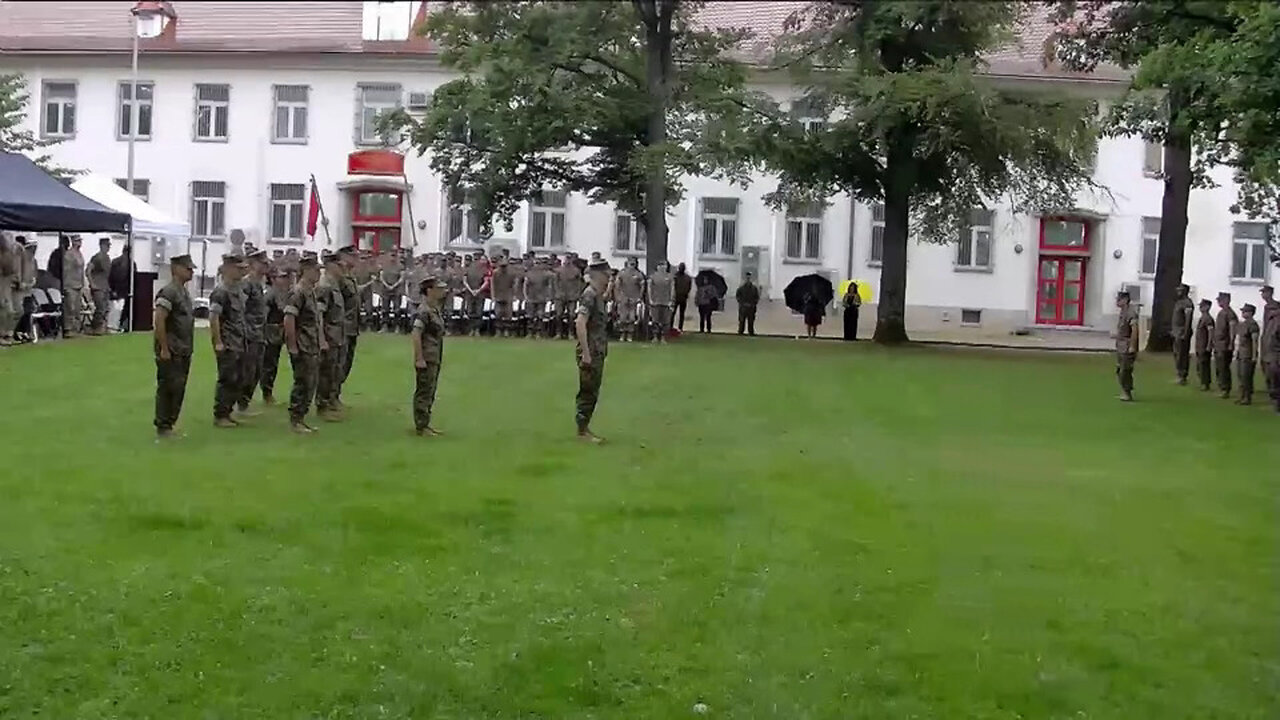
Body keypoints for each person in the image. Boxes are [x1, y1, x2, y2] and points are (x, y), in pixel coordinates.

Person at [152, 254, 197, 440]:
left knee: (179, 388)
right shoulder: (169, 292)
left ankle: (170, 424)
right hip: (171, 349)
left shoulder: (183, 292)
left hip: (183, 349)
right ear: (176, 269)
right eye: (188, 268)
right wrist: (164, 348)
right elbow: (159, 320)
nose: (191, 271)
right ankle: (163, 426)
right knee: (169, 388)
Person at [208, 253, 249, 428]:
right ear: (229, 268)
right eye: (239, 269)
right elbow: (213, 317)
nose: (242, 272)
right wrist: (218, 341)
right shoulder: (221, 291)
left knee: (238, 379)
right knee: (227, 378)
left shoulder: (237, 290)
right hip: (228, 342)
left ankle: (228, 411)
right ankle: (221, 414)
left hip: (239, 341)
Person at [285, 256, 324, 434]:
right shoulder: (298, 292)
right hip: (302, 345)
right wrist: (292, 346)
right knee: (302, 382)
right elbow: (289, 319)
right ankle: (296, 419)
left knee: (310, 383)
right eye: (316, 270)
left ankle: (301, 418)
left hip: (311, 345)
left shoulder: (311, 292)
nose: (319, 273)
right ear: (306, 271)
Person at [575, 258, 611, 442]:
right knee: (588, 391)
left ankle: (585, 428)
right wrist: (586, 353)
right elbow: (580, 323)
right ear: (599, 275)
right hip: (590, 351)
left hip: (597, 350)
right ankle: (582, 432)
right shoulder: (589, 295)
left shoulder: (597, 295)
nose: (609, 279)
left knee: (593, 391)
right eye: (607, 275)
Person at [411, 275, 448, 436]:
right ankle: (421, 425)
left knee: (430, 389)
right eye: (439, 288)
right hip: (427, 356)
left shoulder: (434, 309)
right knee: (424, 390)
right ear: (429, 290)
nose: (443, 291)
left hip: (434, 355)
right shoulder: (424, 311)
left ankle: (426, 423)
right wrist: (419, 358)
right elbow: (416, 333)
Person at [314, 252, 347, 421]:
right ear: (331, 266)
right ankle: (322, 406)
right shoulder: (325, 286)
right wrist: (321, 339)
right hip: (328, 336)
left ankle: (328, 402)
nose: (344, 269)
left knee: (333, 371)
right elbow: (319, 314)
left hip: (336, 335)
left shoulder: (335, 285)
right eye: (340, 266)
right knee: (325, 372)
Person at [237, 249, 269, 416]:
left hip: (260, 333)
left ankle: (245, 402)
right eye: (262, 263)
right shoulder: (247, 284)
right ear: (253, 264)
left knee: (257, 370)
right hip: (249, 334)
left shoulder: (259, 283)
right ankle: (241, 404)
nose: (266, 266)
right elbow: (241, 310)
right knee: (248, 371)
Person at [260, 268, 291, 404]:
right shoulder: (270, 295)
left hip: (279, 333)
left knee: (273, 363)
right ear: (273, 279)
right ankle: (267, 393)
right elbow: (264, 316)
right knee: (268, 364)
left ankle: (268, 391)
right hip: (270, 332)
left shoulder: (283, 294)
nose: (285, 280)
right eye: (281, 277)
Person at [337, 245, 362, 404]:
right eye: (352, 256)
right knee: (338, 363)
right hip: (342, 327)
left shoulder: (350, 276)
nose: (356, 259)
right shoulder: (339, 278)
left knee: (346, 363)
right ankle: (330, 398)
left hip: (352, 327)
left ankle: (336, 395)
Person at [1114, 289, 1139, 402]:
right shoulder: (1123, 312)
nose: (1117, 301)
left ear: (1125, 300)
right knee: (1120, 369)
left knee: (1125, 370)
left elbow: (1134, 330)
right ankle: (1124, 390)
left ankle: (1127, 392)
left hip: (1127, 346)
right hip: (1121, 345)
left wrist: (1132, 346)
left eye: (1119, 299)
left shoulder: (1130, 312)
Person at [1213, 292, 1239, 399]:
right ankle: (1221, 387)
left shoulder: (1230, 314)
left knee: (1224, 367)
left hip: (1225, 344)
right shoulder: (1221, 313)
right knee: (1219, 367)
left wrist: (1231, 343)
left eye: (1221, 300)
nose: (1219, 302)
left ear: (1227, 300)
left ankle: (1225, 389)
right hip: (1218, 344)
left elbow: (1232, 330)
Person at [615, 258, 645, 342]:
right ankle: (622, 334)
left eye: (633, 263)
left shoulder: (638, 274)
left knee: (632, 318)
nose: (632, 264)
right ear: (627, 263)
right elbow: (617, 285)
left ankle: (630, 335)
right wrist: (618, 296)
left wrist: (640, 296)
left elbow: (642, 286)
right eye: (630, 263)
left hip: (634, 298)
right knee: (622, 317)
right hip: (623, 298)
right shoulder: (622, 273)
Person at [1235, 303, 1259, 405]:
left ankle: (1247, 397)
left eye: (1245, 311)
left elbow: (1254, 341)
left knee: (1246, 377)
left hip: (1248, 354)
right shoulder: (1243, 324)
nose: (1243, 313)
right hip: (1241, 353)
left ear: (1251, 313)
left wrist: (1254, 356)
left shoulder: (1253, 325)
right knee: (1240, 375)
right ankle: (1242, 396)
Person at [87, 237, 112, 335]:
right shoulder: (97, 258)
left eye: (109, 246)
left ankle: (102, 327)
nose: (108, 248)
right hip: (98, 287)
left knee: (106, 308)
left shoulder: (107, 258)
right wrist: (92, 283)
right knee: (100, 308)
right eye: (106, 245)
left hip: (105, 286)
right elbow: (88, 271)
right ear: (101, 245)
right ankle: (95, 327)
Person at [62, 235, 85, 337]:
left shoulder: (80, 254)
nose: (79, 243)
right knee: (69, 308)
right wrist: (65, 286)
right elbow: (65, 271)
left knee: (77, 308)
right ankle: (68, 329)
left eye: (80, 241)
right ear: (73, 242)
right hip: (70, 284)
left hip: (79, 284)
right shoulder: (69, 254)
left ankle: (75, 328)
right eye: (77, 241)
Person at [1170, 283, 1194, 385]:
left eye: (1180, 290)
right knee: (1176, 353)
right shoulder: (1178, 302)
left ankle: (1183, 375)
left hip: (1182, 332)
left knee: (1182, 354)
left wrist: (1185, 332)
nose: (1178, 291)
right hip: (1176, 332)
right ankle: (1179, 374)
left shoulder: (1187, 303)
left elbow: (1188, 319)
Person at [647, 260, 674, 343]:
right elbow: (649, 288)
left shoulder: (670, 277)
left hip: (666, 302)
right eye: (661, 265)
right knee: (655, 320)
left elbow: (672, 289)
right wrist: (650, 299)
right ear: (658, 267)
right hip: (655, 301)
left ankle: (663, 337)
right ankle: (655, 336)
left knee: (665, 320)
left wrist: (671, 300)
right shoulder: (653, 276)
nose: (663, 267)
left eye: (665, 265)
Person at [109, 244, 134, 332]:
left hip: (122, 291)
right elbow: (111, 277)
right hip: (123, 291)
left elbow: (110, 277)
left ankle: (117, 326)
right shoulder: (129, 263)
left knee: (119, 311)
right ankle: (117, 326)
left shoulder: (117, 262)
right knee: (119, 311)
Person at [491, 256, 517, 337]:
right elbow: (492, 284)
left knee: (508, 315)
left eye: (505, 266)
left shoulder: (512, 273)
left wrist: (514, 295)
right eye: (502, 266)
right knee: (498, 314)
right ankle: (498, 331)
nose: (503, 268)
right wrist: (493, 296)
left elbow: (514, 284)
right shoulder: (495, 273)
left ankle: (506, 330)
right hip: (498, 295)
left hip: (508, 295)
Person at [1260, 286, 1279, 396]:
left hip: (1273, 342)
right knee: (1265, 368)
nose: (1263, 295)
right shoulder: (1266, 307)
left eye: (1264, 292)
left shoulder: (1275, 306)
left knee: (1273, 371)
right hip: (1266, 340)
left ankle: (1274, 394)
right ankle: (1271, 391)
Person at [1193, 298, 1214, 391]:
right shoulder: (1202, 318)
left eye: (1202, 306)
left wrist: (1209, 345)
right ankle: (1203, 382)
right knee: (1200, 364)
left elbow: (1211, 332)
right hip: (1200, 345)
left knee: (1204, 365)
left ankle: (1205, 383)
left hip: (1204, 345)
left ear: (1207, 307)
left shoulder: (1208, 319)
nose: (1200, 308)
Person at [0, 234, 16, 346]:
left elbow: (10, 269)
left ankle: (6, 334)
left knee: (8, 310)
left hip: (5, 282)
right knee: (4, 308)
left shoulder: (7, 254)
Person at [735, 272, 760, 336]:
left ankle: (751, 332)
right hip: (743, 307)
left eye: (749, 278)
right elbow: (738, 296)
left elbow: (757, 297)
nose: (748, 279)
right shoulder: (741, 288)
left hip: (751, 307)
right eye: (747, 278)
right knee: (742, 320)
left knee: (751, 321)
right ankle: (741, 331)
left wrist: (753, 304)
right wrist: (742, 303)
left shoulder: (754, 288)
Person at [673, 263, 692, 331]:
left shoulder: (687, 278)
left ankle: (680, 328)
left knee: (681, 314)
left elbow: (689, 287)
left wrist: (686, 293)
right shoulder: (675, 277)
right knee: (673, 313)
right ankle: (671, 327)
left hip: (682, 297)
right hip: (676, 297)